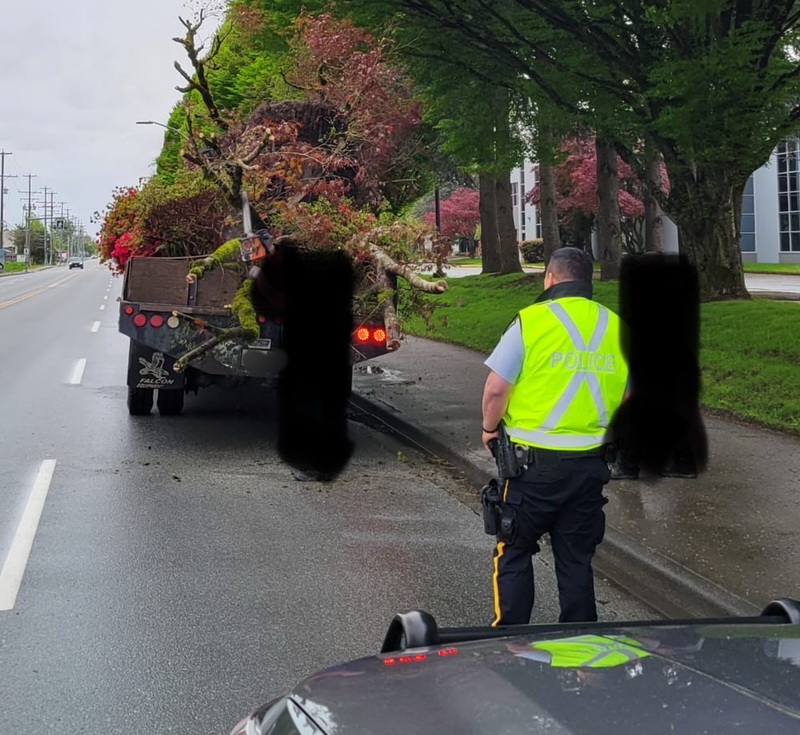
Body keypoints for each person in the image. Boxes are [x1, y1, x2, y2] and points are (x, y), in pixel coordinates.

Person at [481, 247, 629, 625]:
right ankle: (580, 654)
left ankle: (510, 644)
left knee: (514, 551)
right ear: (588, 281)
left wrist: (488, 429)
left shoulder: (531, 321)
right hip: (591, 466)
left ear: (549, 278)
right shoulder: (615, 325)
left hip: (533, 469)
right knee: (576, 560)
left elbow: (497, 389)